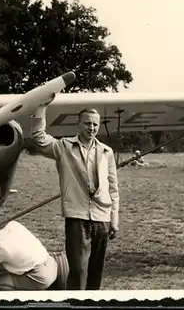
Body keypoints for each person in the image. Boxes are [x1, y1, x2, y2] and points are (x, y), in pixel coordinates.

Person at [28, 102, 120, 290]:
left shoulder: (106, 152)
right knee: (78, 270)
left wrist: (114, 218)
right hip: (77, 216)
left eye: (95, 124)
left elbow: (113, 188)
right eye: (87, 124)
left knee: (96, 270)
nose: (91, 128)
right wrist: (41, 108)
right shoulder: (64, 147)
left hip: (102, 217)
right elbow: (38, 137)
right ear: (79, 124)